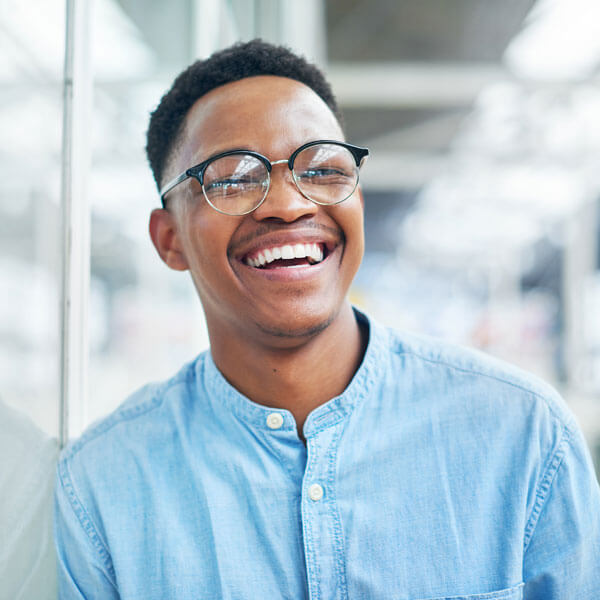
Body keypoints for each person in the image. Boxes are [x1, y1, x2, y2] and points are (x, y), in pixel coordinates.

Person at [54, 39, 600, 599]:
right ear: (169, 240)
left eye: (323, 169)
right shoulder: (103, 486)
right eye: (234, 177)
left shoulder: (523, 436)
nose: (289, 205)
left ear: (357, 198)